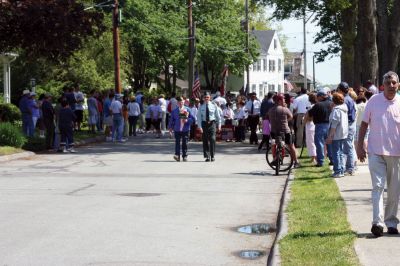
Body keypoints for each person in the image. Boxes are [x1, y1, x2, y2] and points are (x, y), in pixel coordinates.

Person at [357, 71, 400, 237]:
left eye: (394, 83)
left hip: (396, 154)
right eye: (388, 83)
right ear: (383, 85)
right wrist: (360, 146)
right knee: (378, 187)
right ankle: (377, 223)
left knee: (394, 190)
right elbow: (364, 125)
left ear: (398, 85)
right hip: (376, 152)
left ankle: (391, 222)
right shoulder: (374, 101)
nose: (391, 86)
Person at [267, 94, 300, 168]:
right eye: (283, 99)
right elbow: (291, 116)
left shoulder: (271, 110)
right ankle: (296, 162)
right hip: (285, 131)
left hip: (274, 131)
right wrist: (286, 120)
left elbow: (269, 118)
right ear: (279, 101)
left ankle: (274, 159)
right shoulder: (285, 109)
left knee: (273, 145)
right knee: (291, 146)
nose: (284, 101)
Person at [308, 87, 332, 167]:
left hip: (320, 125)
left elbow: (310, 114)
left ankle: (320, 161)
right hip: (330, 125)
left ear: (321, 96)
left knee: (319, 144)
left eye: (317, 97)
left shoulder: (317, 105)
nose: (317, 98)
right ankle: (332, 160)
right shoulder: (331, 103)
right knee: (329, 143)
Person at [326, 93, 348, 178]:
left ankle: (338, 171)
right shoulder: (344, 109)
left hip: (337, 134)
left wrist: (330, 136)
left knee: (336, 153)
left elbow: (334, 125)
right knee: (340, 152)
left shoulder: (336, 110)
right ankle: (341, 170)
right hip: (343, 134)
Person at [337, 82, 357, 175]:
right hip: (351, 124)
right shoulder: (350, 99)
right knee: (348, 146)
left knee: (348, 147)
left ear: (341, 90)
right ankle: (350, 167)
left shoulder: (345, 100)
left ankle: (350, 168)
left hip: (348, 125)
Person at [168, 97, 195, 162]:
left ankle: (184, 156)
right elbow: (171, 120)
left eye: (182, 102)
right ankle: (177, 155)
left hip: (185, 129)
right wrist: (170, 129)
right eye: (179, 102)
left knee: (184, 143)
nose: (180, 103)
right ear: (177, 103)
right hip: (177, 129)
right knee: (177, 142)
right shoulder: (174, 111)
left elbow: (193, 119)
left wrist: (187, 120)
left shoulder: (188, 109)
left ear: (184, 102)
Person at [197, 92, 221, 162]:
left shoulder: (214, 105)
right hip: (204, 124)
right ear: (203, 98)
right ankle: (207, 156)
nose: (206, 99)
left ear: (210, 98)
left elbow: (218, 116)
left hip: (212, 123)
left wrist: (219, 125)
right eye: (205, 97)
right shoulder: (201, 106)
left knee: (212, 139)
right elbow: (199, 118)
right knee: (205, 140)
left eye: (207, 97)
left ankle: (212, 156)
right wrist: (200, 127)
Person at [304, 93, 317, 164]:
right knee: (315, 141)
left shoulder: (310, 107)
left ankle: (313, 158)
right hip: (316, 125)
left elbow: (308, 117)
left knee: (310, 141)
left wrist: (304, 120)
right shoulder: (317, 106)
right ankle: (315, 157)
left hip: (310, 125)